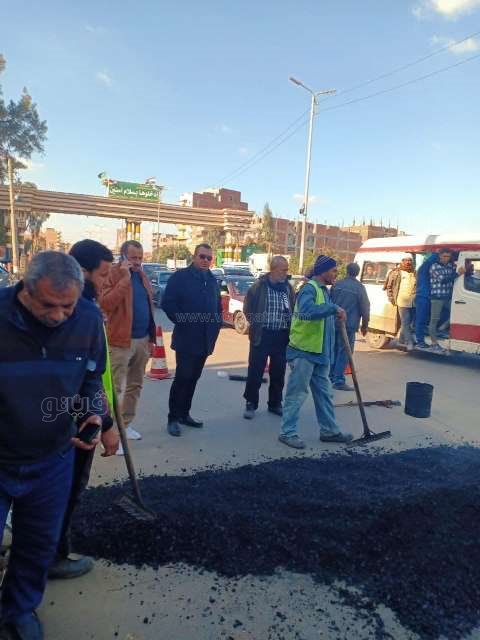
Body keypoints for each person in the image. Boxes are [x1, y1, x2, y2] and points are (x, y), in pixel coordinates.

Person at [0, 251, 106, 640]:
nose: (59, 315)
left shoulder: (88, 319)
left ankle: (18, 611)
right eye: (48, 305)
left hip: (52, 460)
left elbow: (92, 379)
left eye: (68, 306)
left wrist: (91, 414)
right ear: (25, 290)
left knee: (37, 544)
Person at [48, 240, 120, 581]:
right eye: (103, 275)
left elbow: (92, 374)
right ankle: (53, 555)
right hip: (76, 420)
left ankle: (37, 548)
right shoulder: (77, 312)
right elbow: (82, 377)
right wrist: (103, 422)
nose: (106, 281)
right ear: (82, 271)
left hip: (81, 411)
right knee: (65, 489)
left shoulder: (87, 308)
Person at [279, 255, 353, 449]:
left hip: (319, 354)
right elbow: (307, 311)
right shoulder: (309, 289)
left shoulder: (324, 291)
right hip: (303, 352)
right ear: (323, 271)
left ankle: (329, 431)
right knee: (297, 394)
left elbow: (323, 321)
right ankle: (287, 433)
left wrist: (334, 316)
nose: (336, 274)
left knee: (324, 394)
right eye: (334, 270)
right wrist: (333, 308)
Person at [162, 243, 222, 437]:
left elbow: (217, 307)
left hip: (205, 339)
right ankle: (173, 418)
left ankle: (184, 414)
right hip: (187, 339)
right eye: (202, 256)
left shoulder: (212, 280)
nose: (205, 260)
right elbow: (168, 303)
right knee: (182, 378)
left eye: (209, 258)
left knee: (194, 378)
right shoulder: (180, 277)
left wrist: (216, 324)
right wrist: (183, 320)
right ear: (194, 257)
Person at [100, 240, 156, 441]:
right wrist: (124, 278)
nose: (138, 262)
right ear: (123, 256)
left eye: (140, 258)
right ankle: (109, 432)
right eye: (133, 258)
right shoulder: (114, 274)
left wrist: (151, 338)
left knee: (135, 385)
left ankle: (125, 425)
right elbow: (106, 303)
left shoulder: (142, 275)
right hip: (120, 342)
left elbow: (149, 307)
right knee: (114, 390)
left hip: (142, 340)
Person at [242, 256, 295, 419]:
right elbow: (247, 308)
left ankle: (275, 404)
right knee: (255, 371)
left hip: (281, 336)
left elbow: (292, 308)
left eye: (286, 270)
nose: (286, 273)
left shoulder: (287, 288)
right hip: (262, 335)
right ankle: (251, 403)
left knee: (278, 372)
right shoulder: (259, 286)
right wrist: (256, 323)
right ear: (273, 269)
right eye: (283, 270)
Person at [330, 263, 370, 390]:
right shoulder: (359, 288)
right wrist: (365, 326)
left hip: (333, 322)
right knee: (345, 352)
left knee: (334, 349)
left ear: (346, 271)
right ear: (357, 273)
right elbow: (365, 308)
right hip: (348, 325)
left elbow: (329, 302)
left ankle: (331, 376)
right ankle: (338, 380)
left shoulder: (337, 284)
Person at [428, 248, 457, 353]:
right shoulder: (434, 267)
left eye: (448, 256)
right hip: (437, 297)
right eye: (444, 256)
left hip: (447, 297)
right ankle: (434, 343)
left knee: (456, 313)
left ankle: (443, 327)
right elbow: (443, 280)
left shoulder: (450, 266)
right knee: (434, 320)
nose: (446, 258)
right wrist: (458, 273)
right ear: (440, 256)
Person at [386, 255, 416, 351]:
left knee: (409, 323)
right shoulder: (396, 272)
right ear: (402, 261)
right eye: (406, 260)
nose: (408, 262)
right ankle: (409, 342)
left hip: (413, 302)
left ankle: (401, 339)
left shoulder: (414, 273)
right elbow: (389, 286)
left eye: (410, 260)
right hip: (402, 302)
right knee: (405, 322)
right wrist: (391, 297)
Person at [414, 252, 438, 349]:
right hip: (423, 297)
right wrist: (437, 253)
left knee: (423, 319)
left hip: (428, 297)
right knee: (421, 320)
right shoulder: (424, 268)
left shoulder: (427, 268)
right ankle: (420, 341)